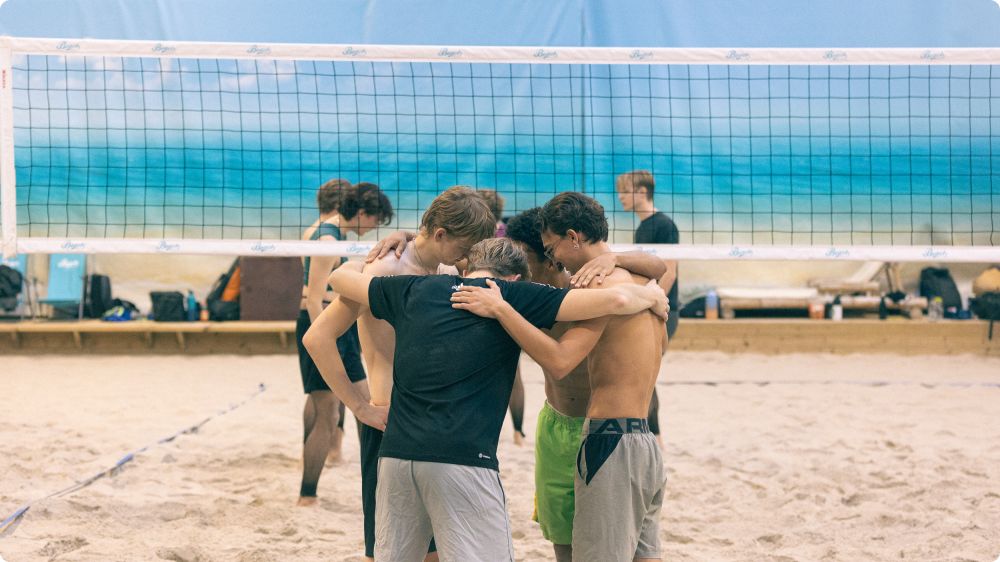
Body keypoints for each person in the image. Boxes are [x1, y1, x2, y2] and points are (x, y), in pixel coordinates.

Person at [324, 237, 667, 562]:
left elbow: (339, 279)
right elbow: (618, 301)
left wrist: (364, 258)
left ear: (464, 267)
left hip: (395, 452)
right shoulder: (512, 294)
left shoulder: (412, 286)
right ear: (515, 276)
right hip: (463, 457)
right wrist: (651, 295)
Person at [456, 192, 667, 561]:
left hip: (608, 437)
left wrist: (501, 309)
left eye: (552, 248)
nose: (553, 258)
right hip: (643, 439)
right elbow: (660, 266)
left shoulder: (593, 288)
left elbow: (559, 361)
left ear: (573, 237)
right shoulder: (641, 284)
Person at [302, 185, 495, 562]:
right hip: (390, 423)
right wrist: (358, 406)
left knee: (437, 550)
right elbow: (317, 338)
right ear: (441, 234)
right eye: (464, 247)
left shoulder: (444, 266)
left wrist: (405, 233)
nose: (467, 258)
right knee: (387, 551)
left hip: (438, 425)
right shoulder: (384, 269)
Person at [296, 179, 392, 507]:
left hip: (333, 327)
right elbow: (312, 298)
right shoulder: (327, 237)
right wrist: (325, 344)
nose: (377, 226)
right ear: (363, 212)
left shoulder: (327, 232)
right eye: (376, 219)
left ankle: (323, 481)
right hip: (325, 326)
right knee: (339, 409)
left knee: (333, 404)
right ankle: (308, 494)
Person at [616, 170, 680, 449]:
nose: (620, 197)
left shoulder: (665, 225)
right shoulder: (643, 227)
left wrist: (652, 303)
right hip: (647, 306)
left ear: (642, 192)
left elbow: (671, 271)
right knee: (640, 373)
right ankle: (652, 436)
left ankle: (656, 438)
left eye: (624, 191)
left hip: (663, 309)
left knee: (644, 374)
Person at [476, 188, 525, 445]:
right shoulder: (509, 233)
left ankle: (484, 427)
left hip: (481, 303)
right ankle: (518, 433)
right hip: (508, 302)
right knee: (514, 371)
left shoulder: (476, 238)